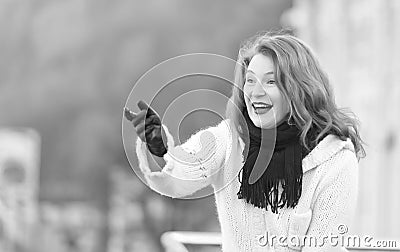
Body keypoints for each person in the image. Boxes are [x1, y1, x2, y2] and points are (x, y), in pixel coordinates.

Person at [125, 30, 365, 251]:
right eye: (250, 80)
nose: (255, 92)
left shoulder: (335, 159)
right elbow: (181, 177)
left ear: (299, 89)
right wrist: (160, 147)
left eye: (271, 82)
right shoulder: (229, 138)